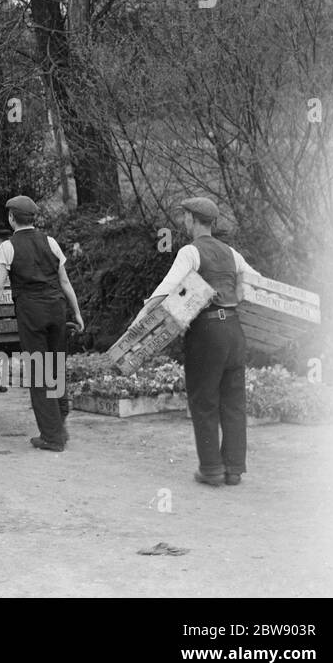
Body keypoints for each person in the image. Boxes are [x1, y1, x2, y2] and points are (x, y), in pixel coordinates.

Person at [135, 197, 260, 487]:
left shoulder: (190, 252)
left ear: (192, 219)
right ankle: (234, 469)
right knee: (233, 401)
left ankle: (211, 469)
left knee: (204, 400)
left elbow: (167, 288)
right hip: (234, 329)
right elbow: (257, 283)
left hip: (207, 331)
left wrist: (140, 318)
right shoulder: (231, 253)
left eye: (185, 216)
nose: (183, 221)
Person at [0, 195, 85, 451]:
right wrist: (77, 312)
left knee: (39, 373)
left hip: (31, 313)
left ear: (11, 218)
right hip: (57, 310)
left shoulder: (8, 247)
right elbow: (65, 282)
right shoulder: (50, 242)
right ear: (33, 218)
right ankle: (59, 420)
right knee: (56, 366)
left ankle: (52, 437)